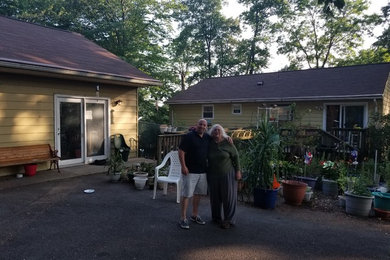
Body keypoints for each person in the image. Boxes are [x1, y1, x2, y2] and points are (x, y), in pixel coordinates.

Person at [207, 124, 241, 229]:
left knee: (228, 197)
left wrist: (238, 171)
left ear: (222, 132)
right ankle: (216, 218)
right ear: (212, 133)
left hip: (227, 173)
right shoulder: (209, 142)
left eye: (219, 130)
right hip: (212, 174)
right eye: (214, 130)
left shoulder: (228, 142)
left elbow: (236, 157)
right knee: (215, 198)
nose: (217, 132)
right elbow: (198, 132)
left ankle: (228, 220)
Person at [178, 119, 209, 229]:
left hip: (202, 171)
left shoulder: (206, 137)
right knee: (186, 194)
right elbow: (181, 151)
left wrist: (227, 138)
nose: (202, 126)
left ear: (206, 127)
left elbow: (218, 139)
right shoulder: (189, 136)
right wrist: (183, 166)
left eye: (204, 125)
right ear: (197, 125)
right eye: (200, 124)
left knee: (198, 194)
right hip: (190, 171)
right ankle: (183, 218)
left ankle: (194, 215)